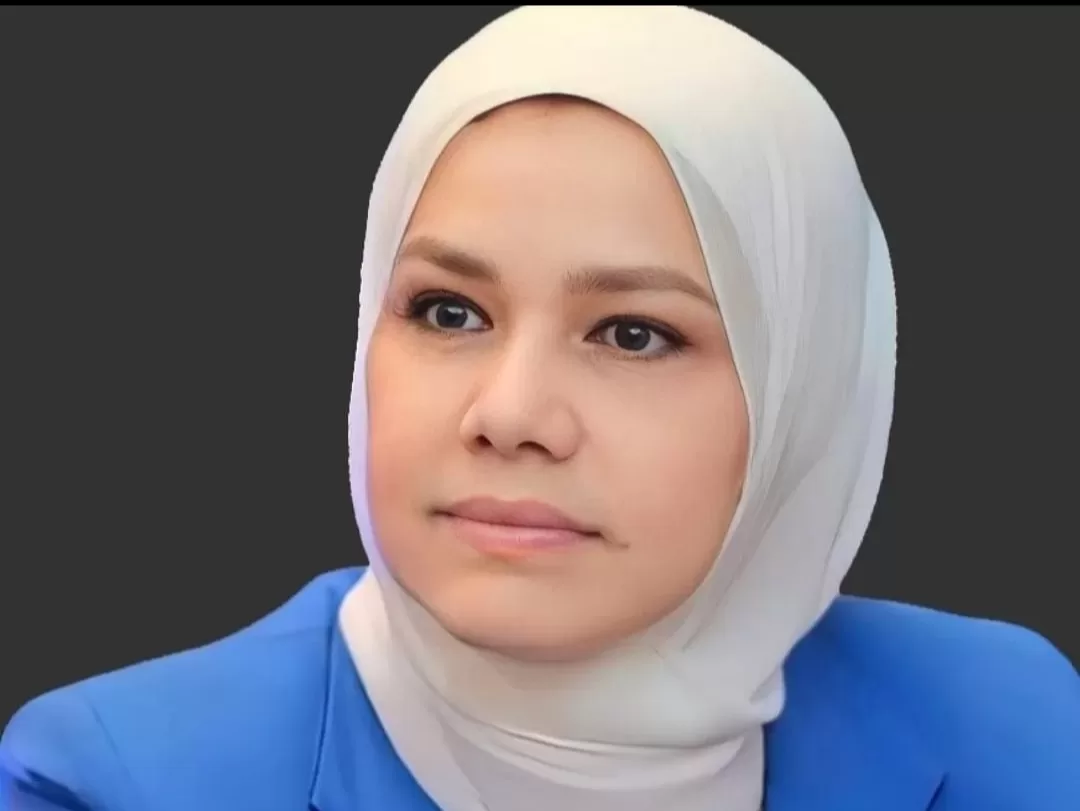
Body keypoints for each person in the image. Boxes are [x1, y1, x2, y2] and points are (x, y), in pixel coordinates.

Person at [2, 6, 1077, 810]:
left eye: (633, 333)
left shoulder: (1014, 724)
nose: (510, 414)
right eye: (448, 311)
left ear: (805, 397)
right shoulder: (115, 780)